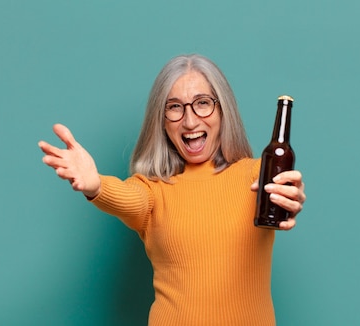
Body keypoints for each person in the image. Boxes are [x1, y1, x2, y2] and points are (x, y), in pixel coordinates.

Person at [38, 54, 306, 326]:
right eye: (175, 107)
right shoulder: (154, 190)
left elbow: (283, 192)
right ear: (163, 122)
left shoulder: (256, 176)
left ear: (223, 111)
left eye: (203, 103)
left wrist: (291, 198)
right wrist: (95, 185)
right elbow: (126, 198)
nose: (190, 122)